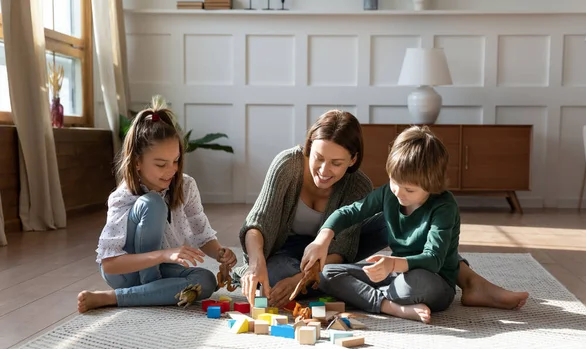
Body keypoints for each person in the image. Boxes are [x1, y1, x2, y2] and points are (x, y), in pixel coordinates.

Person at [234, 111, 528, 311]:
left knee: (406, 227)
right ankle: (373, 289)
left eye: (336, 163)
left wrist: (391, 264)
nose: (324, 170)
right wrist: (260, 262)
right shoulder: (289, 165)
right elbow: (260, 221)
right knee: (285, 277)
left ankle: (467, 280)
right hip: (287, 253)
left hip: (408, 266)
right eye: (318, 158)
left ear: (353, 160)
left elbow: (348, 246)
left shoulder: (366, 185)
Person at [300, 126, 525, 324]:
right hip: (394, 275)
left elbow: (434, 259)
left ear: (432, 185)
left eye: (410, 190)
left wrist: (391, 265)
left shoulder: (444, 206)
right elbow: (350, 212)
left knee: (411, 286)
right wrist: (323, 238)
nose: (399, 192)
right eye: (395, 182)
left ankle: (367, 296)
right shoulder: (390, 193)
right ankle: (391, 307)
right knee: (328, 273)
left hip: (431, 279)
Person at [77, 98, 236, 313]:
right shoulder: (123, 197)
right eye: (161, 164)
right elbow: (109, 265)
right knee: (152, 203)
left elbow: (202, 233)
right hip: (126, 273)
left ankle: (142, 293)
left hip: (162, 270)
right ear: (137, 162)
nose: (171, 170)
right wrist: (164, 255)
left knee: (205, 281)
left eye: (176, 161)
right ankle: (119, 295)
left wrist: (220, 253)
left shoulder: (186, 185)